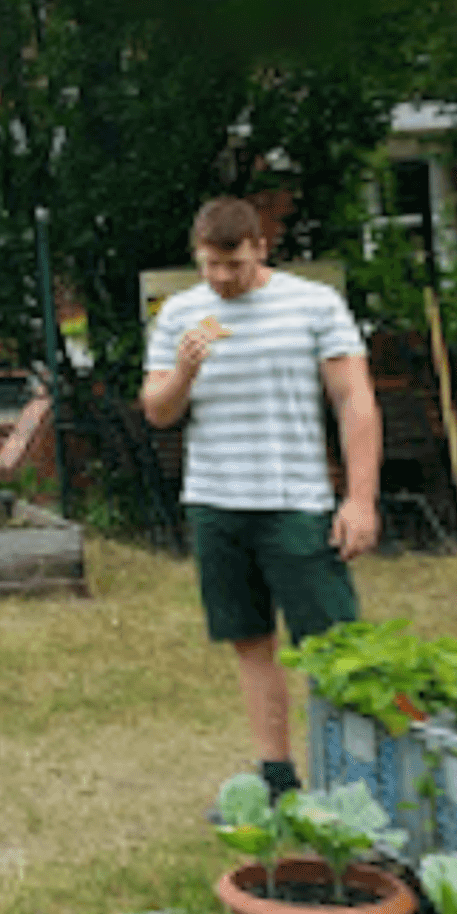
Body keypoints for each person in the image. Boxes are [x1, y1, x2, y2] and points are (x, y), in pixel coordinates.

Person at [141, 197, 381, 803]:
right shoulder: (179, 316)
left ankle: (360, 782)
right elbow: (158, 412)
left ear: (260, 248)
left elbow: (355, 401)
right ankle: (279, 780)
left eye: (235, 264)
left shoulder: (313, 304)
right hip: (216, 504)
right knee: (250, 641)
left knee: (334, 648)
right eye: (210, 266)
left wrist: (360, 500)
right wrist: (185, 371)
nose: (222, 278)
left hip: (296, 503)